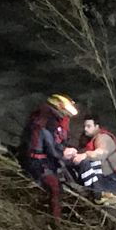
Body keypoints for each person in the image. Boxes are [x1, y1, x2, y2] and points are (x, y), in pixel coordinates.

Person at [19, 93, 78, 223]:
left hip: (43, 158)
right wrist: (64, 154)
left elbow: (57, 143)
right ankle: (55, 221)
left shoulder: (48, 118)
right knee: (56, 188)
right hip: (37, 162)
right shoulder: (45, 122)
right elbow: (52, 149)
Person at [70, 114, 116, 205]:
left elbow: (101, 152)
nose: (85, 129)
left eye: (89, 126)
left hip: (114, 176)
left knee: (85, 162)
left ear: (97, 126)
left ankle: (99, 194)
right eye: (84, 126)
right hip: (107, 175)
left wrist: (85, 155)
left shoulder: (102, 137)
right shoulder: (88, 139)